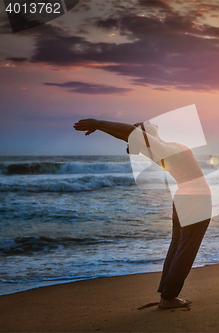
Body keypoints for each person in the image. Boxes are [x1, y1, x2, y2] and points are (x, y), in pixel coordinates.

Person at [74, 118, 211, 309]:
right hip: (196, 200)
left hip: (183, 197)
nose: (150, 122)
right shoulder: (164, 150)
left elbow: (128, 134)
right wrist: (99, 123)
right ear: (145, 134)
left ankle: (167, 294)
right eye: (145, 125)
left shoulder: (158, 149)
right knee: (185, 251)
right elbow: (130, 132)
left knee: (177, 247)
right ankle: (169, 297)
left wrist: (103, 127)